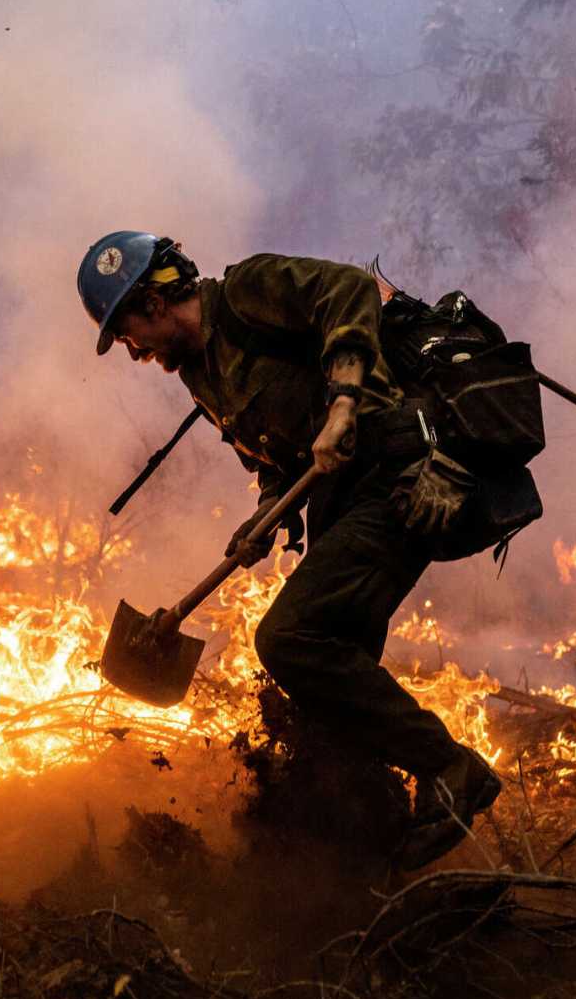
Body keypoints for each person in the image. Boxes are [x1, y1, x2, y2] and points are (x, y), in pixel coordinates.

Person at [79, 230, 501, 869]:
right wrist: (265, 515)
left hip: (395, 474)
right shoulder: (201, 374)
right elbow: (276, 459)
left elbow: (349, 290)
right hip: (342, 502)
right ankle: (366, 853)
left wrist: (344, 404)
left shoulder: (247, 291)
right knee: (330, 686)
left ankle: (449, 766)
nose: (134, 351)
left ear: (155, 303)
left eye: (129, 331)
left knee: (288, 639)